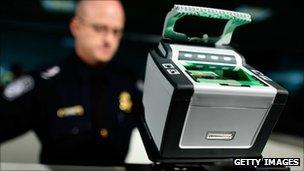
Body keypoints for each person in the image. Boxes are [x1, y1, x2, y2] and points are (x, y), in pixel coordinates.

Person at [0, 0, 143, 166]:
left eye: (116, 32)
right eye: (99, 28)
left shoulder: (129, 82)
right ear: (76, 26)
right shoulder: (47, 82)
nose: (109, 40)